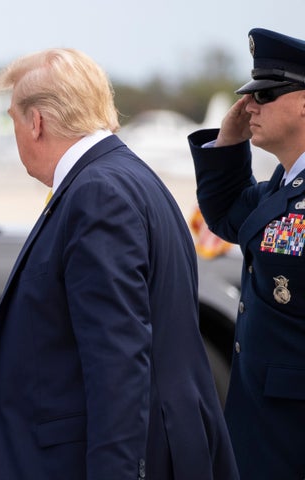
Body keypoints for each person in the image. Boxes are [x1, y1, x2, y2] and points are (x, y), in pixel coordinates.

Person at [0, 48, 239, 479]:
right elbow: (77, 336)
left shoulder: (98, 194)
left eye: (13, 120)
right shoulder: (126, 177)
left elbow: (118, 360)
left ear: (36, 123)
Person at [188, 27, 305, 479]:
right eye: (250, 94)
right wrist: (229, 143)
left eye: (268, 93)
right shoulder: (282, 186)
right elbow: (228, 217)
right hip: (267, 420)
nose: (250, 105)